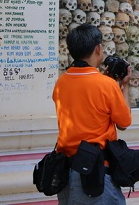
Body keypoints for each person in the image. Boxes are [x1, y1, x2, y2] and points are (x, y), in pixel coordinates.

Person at [53, 23, 132, 204]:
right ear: (98, 48)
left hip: (66, 170)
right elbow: (124, 122)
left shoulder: (61, 82)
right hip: (95, 173)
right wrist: (124, 86)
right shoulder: (106, 85)